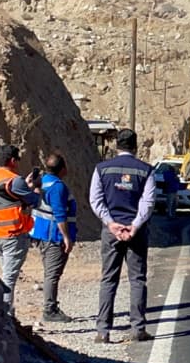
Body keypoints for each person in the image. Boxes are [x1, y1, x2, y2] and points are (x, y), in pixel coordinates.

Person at [89, 128, 156, 344]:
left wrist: (111, 223)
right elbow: (148, 202)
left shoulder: (101, 169)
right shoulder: (146, 170)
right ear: (135, 146)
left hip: (111, 232)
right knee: (137, 279)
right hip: (137, 232)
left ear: (116, 145)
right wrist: (134, 225)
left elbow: (95, 200)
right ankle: (138, 329)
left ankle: (103, 331)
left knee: (108, 279)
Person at [0, 144, 40, 312]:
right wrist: (35, 187)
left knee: (6, 275)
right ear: (13, 160)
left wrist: (25, 186)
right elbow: (34, 201)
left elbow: (6, 197)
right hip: (14, 236)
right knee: (9, 279)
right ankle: (6, 314)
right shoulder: (14, 180)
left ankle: (4, 312)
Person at [30, 152, 77, 324]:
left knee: (50, 272)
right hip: (53, 235)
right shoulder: (57, 187)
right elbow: (59, 214)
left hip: (41, 233)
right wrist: (66, 237)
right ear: (62, 169)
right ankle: (49, 309)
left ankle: (51, 307)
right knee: (52, 274)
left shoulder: (42, 181)